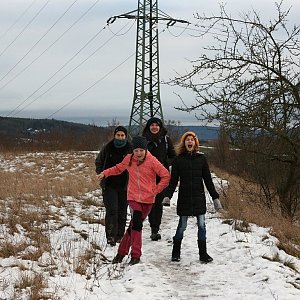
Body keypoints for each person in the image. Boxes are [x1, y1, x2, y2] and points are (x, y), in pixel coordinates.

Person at [96, 136, 170, 265]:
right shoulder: (129, 159)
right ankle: (136, 255)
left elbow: (165, 175)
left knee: (133, 227)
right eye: (136, 150)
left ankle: (121, 253)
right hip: (133, 197)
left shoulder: (152, 161)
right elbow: (118, 168)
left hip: (148, 199)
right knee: (136, 223)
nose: (139, 153)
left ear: (145, 150)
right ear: (133, 151)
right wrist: (105, 173)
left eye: (141, 150)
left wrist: (156, 189)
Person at [164, 131, 222, 263]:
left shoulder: (202, 159)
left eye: (192, 139)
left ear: (195, 142)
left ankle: (203, 254)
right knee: (182, 226)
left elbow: (208, 180)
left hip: (198, 198)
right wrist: (167, 196)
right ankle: (175, 252)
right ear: (184, 143)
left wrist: (215, 198)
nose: (190, 141)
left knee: (201, 225)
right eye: (187, 139)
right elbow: (173, 182)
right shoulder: (178, 160)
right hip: (184, 198)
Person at [95, 126, 132, 246]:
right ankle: (110, 236)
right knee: (112, 210)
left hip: (125, 185)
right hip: (109, 185)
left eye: (122, 135)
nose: (120, 137)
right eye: (118, 135)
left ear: (126, 136)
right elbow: (99, 161)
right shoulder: (108, 147)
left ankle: (120, 235)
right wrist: (101, 173)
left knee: (122, 211)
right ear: (114, 135)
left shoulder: (130, 149)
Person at [142, 117, 176, 241]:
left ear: (160, 127)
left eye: (157, 125)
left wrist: (165, 163)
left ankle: (155, 229)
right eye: (152, 125)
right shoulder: (143, 140)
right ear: (148, 127)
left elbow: (173, 156)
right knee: (151, 202)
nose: (154, 127)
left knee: (158, 203)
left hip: (161, 177)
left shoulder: (166, 140)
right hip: (147, 176)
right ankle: (153, 227)